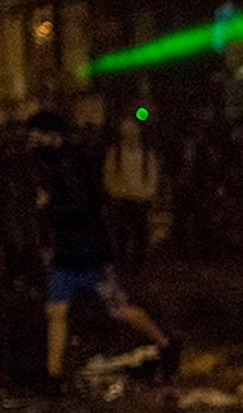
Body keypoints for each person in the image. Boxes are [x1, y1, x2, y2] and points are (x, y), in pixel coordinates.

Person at [27, 110, 179, 386]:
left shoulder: (68, 163)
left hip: (86, 253)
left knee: (114, 309)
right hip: (77, 251)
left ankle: (166, 343)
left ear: (50, 134)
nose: (32, 140)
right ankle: (53, 375)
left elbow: (83, 206)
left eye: (36, 134)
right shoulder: (60, 160)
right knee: (59, 311)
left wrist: (48, 205)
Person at [103, 117, 159, 270]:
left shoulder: (146, 153)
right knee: (121, 232)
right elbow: (109, 175)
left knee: (140, 232)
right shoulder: (115, 153)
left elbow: (152, 175)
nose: (130, 135)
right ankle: (122, 262)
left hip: (140, 198)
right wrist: (116, 192)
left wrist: (147, 193)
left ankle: (139, 262)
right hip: (122, 198)